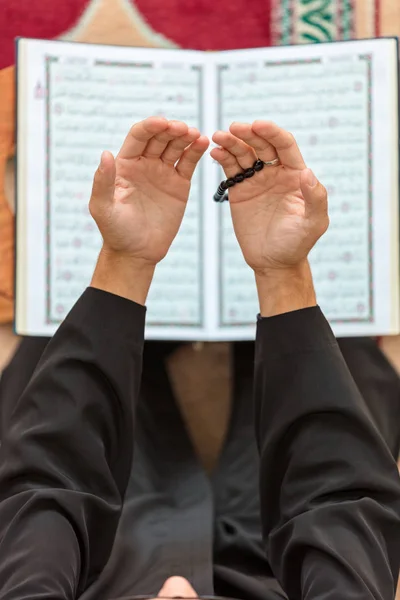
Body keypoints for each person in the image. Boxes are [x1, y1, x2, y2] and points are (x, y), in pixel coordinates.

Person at [0, 117, 399, 600]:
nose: (177, 593)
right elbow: (338, 497)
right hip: (262, 577)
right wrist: (283, 275)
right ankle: (234, 310)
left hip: (109, 578)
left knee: (48, 353)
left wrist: (125, 265)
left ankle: (162, 317)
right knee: (345, 358)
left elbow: (48, 483)